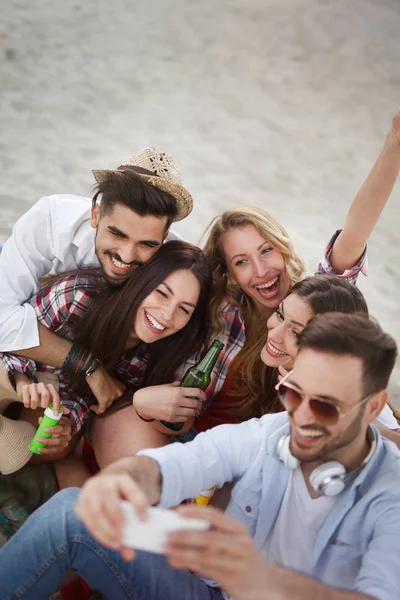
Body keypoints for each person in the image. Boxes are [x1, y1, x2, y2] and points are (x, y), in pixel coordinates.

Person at [1, 312, 400, 600]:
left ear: (372, 407)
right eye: (293, 394)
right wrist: (118, 481)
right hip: (205, 592)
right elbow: (182, 463)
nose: (301, 418)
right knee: (74, 509)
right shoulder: (272, 432)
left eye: (326, 407)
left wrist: (260, 579)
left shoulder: (391, 495)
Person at [189, 110, 400, 426]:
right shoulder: (220, 310)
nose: (261, 270)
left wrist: (394, 146)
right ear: (230, 274)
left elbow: (354, 233)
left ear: (283, 247)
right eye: (242, 262)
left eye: (266, 250)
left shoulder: (316, 301)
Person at [0, 148, 193, 413]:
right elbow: (2, 318)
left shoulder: (173, 260)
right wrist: (87, 365)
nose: (126, 256)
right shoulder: (47, 220)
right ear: (95, 214)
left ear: (165, 236)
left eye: (147, 244)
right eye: (117, 234)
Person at [0, 241, 211, 479]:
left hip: (43, 408)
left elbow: (84, 400)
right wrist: (23, 380)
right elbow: (10, 335)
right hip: (12, 375)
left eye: (184, 309)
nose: (167, 314)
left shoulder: (162, 354)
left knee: (54, 443)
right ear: (142, 281)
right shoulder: (78, 296)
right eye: (162, 293)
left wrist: (67, 428)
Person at [196, 275, 400, 434]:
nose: (274, 334)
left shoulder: (353, 396)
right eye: (280, 314)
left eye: (295, 332)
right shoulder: (273, 369)